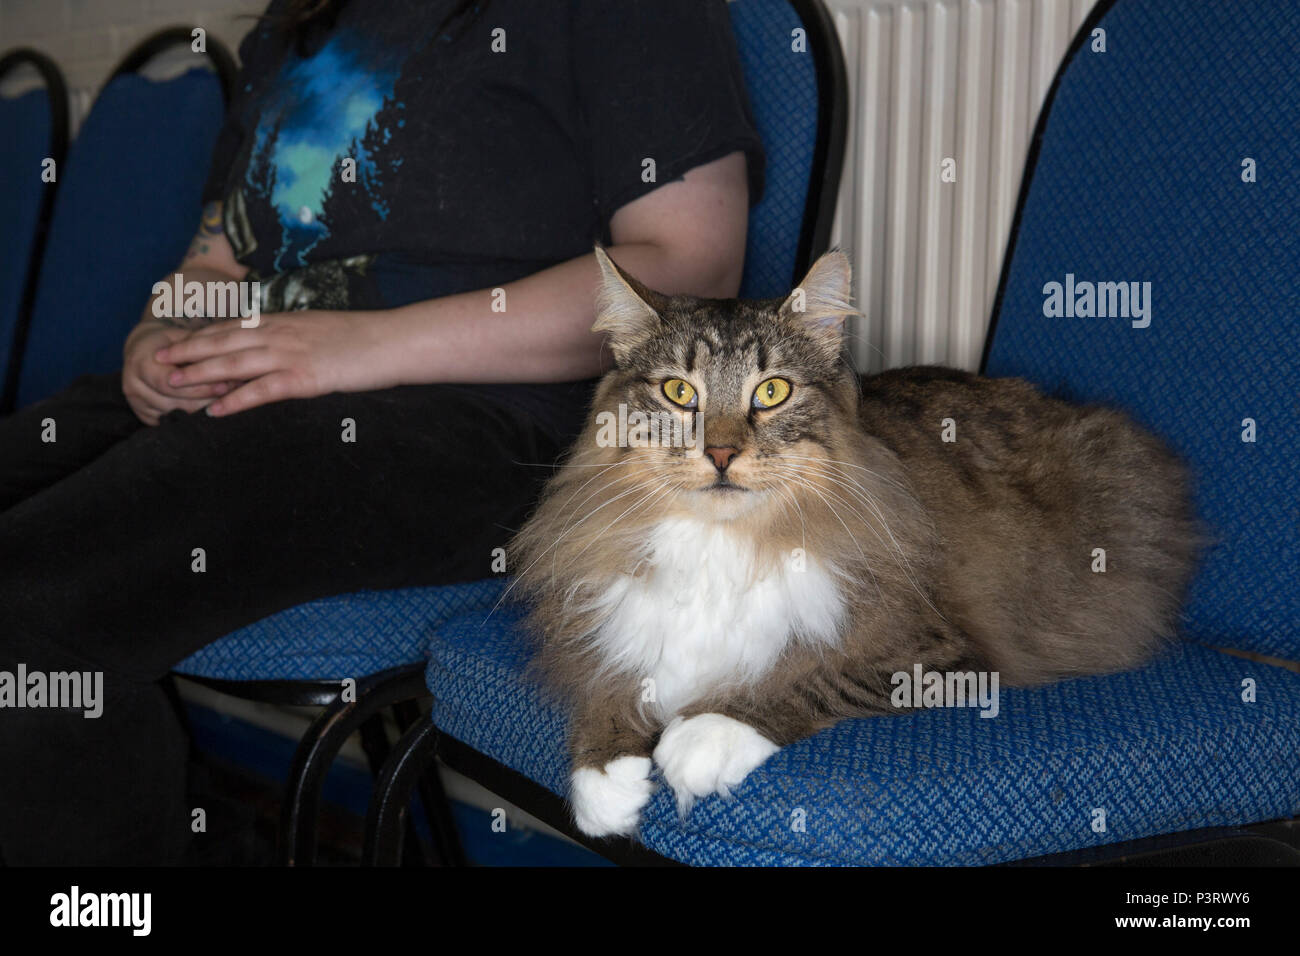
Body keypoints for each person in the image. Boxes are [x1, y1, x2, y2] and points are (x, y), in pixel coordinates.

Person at [0, 0, 764, 864]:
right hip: (270, 374)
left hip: (489, 416)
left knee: (35, 602)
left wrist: (357, 350)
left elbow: (691, 270)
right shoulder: (294, 29)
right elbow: (217, 260)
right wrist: (158, 330)